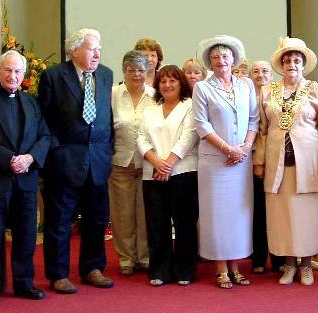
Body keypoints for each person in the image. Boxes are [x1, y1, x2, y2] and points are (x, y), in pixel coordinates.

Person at [0, 50, 50, 306]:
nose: (12, 75)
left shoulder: (32, 102)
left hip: (26, 179)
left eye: (17, 71)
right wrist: (9, 160)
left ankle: (24, 283)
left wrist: (29, 158)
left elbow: (45, 136)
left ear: (23, 75)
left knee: (26, 234)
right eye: (7, 70)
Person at [39, 28, 115, 294]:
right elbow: (44, 121)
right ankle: (58, 274)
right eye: (92, 48)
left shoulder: (105, 74)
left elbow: (108, 117)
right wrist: (56, 153)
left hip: (98, 160)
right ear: (74, 50)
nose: (97, 53)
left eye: (99, 48)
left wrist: (108, 150)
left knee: (96, 219)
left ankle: (92, 268)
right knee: (59, 221)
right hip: (65, 161)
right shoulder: (53, 76)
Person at [254, 38, 318, 285]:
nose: (292, 64)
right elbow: (261, 130)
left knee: (306, 214)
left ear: (303, 64)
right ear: (281, 64)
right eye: (287, 60)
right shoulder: (268, 91)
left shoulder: (316, 90)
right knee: (281, 215)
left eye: (297, 60)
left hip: (307, 164)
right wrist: (259, 160)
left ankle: (307, 264)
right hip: (277, 162)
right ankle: (288, 265)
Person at [192, 35, 259, 289]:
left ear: (234, 59)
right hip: (215, 163)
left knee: (239, 215)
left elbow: (254, 119)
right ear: (210, 61)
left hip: (241, 161)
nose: (221, 60)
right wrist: (228, 149)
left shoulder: (247, 85)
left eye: (225, 56)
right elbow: (201, 124)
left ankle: (236, 266)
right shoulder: (203, 88)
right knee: (217, 216)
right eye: (216, 57)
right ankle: (221, 267)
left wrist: (244, 148)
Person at [138, 65, 199, 286]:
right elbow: (141, 138)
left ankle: (185, 270)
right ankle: (159, 270)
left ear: (181, 83)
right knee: (157, 224)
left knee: (184, 224)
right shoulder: (150, 109)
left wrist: (168, 165)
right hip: (152, 174)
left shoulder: (190, 106)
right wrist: (156, 162)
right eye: (163, 81)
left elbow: (188, 138)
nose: (167, 85)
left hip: (184, 172)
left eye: (172, 80)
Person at [109, 50, 154, 276]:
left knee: (145, 214)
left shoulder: (156, 95)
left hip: (148, 165)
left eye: (141, 70)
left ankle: (145, 257)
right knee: (123, 214)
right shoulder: (113, 94)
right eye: (131, 70)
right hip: (121, 163)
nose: (136, 74)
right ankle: (127, 258)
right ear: (124, 71)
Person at [249, 59, 284, 274]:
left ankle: (279, 259)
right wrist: (258, 161)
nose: (260, 74)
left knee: (277, 211)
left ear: (272, 74)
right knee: (258, 211)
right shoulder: (244, 95)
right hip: (252, 161)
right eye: (256, 71)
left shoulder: (279, 94)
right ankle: (259, 258)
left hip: (277, 159)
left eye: (265, 71)